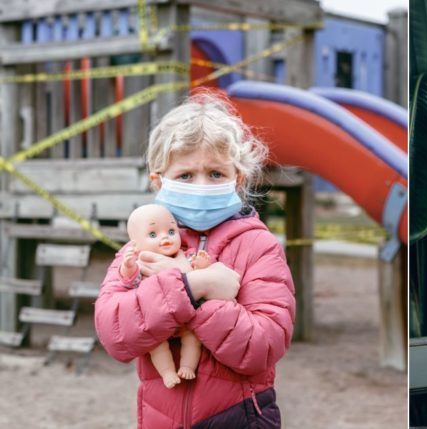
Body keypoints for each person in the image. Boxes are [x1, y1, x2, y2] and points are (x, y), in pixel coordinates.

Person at [95, 91, 295, 429]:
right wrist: (193, 284)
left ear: (238, 179)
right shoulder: (142, 244)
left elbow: (263, 346)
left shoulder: (258, 245)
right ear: (158, 182)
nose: (201, 184)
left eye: (216, 174)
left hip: (242, 419)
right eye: (186, 175)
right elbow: (115, 332)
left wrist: (194, 298)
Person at [119, 203, 210, 389]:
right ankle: (167, 372)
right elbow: (130, 282)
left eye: (171, 231)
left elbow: (200, 278)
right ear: (135, 245)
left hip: (186, 319)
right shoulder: (141, 263)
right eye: (153, 235)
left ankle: (187, 366)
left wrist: (201, 265)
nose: (165, 238)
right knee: (156, 347)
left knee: (193, 339)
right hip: (157, 321)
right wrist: (128, 266)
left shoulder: (186, 256)